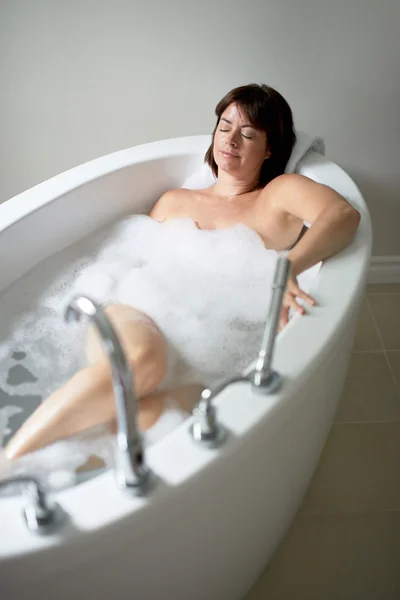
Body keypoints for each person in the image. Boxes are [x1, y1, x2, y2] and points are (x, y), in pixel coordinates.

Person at [5, 84, 360, 460]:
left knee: (152, 417)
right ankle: (8, 462)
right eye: (225, 127)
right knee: (141, 362)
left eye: (249, 133)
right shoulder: (176, 201)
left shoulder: (276, 196)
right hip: (133, 311)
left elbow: (341, 215)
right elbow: (125, 263)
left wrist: (290, 265)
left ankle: (60, 485)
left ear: (270, 148)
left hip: (205, 347)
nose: (232, 140)